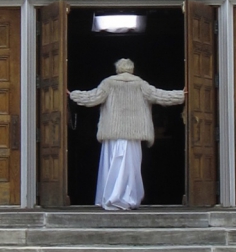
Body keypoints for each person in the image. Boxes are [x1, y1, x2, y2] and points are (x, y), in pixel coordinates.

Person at [68, 58, 185, 210]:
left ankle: (112, 197)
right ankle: (128, 198)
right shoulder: (140, 84)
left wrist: (73, 95)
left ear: (117, 69)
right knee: (131, 168)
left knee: (112, 167)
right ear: (132, 69)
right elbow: (159, 95)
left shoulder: (108, 83)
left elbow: (93, 97)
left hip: (112, 133)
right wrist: (181, 95)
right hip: (133, 134)